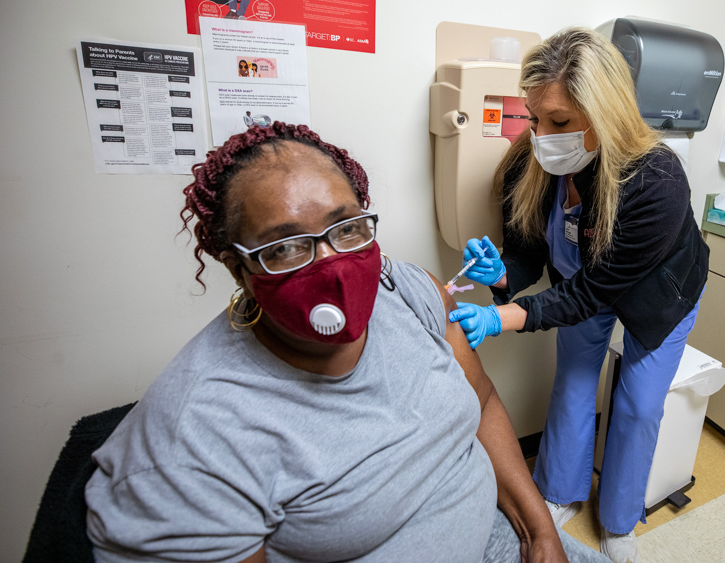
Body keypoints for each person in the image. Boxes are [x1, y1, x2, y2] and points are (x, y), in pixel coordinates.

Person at [85, 122, 610, 563]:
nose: (332, 266)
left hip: (499, 535)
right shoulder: (195, 439)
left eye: (347, 229)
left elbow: (483, 399)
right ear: (236, 267)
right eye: (286, 246)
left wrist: (539, 532)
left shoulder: (407, 290)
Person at [449, 28, 709, 563]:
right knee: (572, 385)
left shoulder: (655, 180)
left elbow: (596, 291)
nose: (541, 135)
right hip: (579, 286)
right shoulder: (534, 160)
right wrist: (503, 276)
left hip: (657, 295)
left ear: (605, 114)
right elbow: (526, 254)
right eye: (534, 116)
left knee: (638, 406)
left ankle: (619, 521)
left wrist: (504, 318)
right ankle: (560, 493)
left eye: (560, 122)